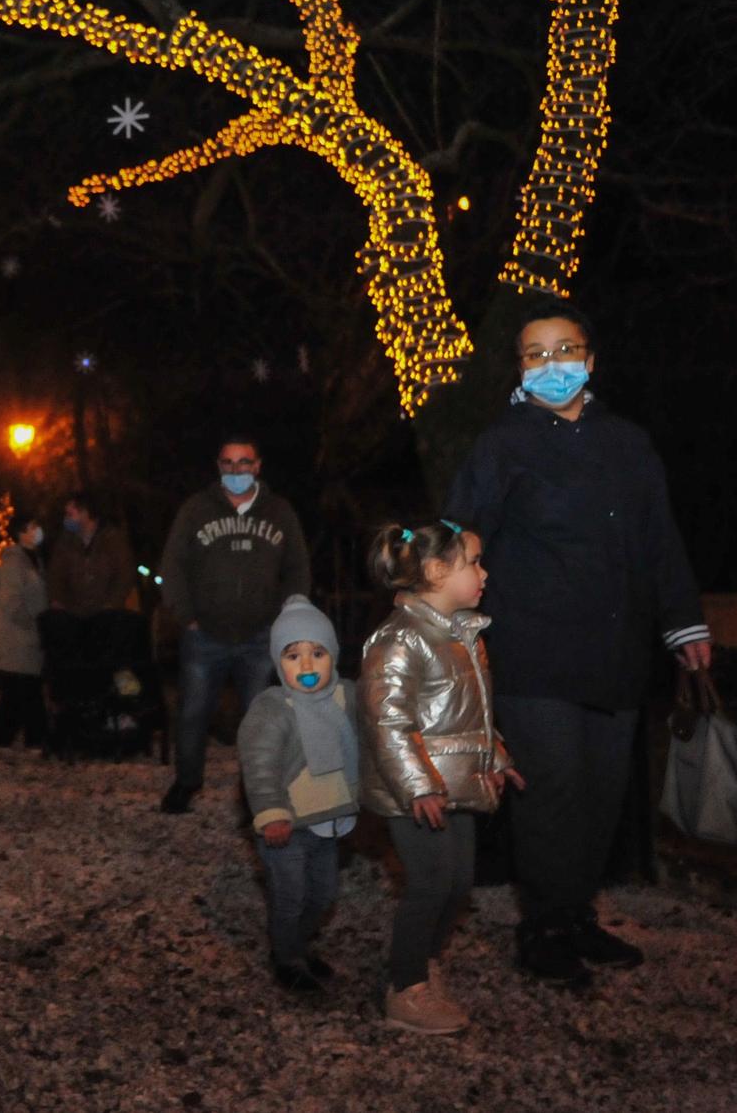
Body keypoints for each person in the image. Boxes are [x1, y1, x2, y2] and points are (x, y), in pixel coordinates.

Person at [445, 299, 713, 984]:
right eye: (536, 354)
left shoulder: (628, 442)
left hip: (618, 652)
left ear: (590, 360)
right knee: (552, 793)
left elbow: (659, 538)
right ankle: (544, 926)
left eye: (565, 351)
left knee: (603, 795)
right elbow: (463, 534)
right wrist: (441, 608)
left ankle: (577, 914)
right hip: (535, 655)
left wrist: (684, 624)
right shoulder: (502, 445)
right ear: (520, 369)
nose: (552, 365)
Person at [358, 520, 524, 1034]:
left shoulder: (467, 635)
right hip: (415, 792)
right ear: (434, 571)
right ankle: (405, 989)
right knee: (430, 884)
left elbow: (474, 714)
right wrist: (419, 786)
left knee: (458, 884)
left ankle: (425, 964)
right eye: (472, 561)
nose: (484, 572)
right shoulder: (399, 639)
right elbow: (387, 722)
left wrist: (494, 759)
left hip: (459, 785)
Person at [157, 435, 311, 813]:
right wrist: (184, 614)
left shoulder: (279, 512)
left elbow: (297, 568)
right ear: (218, 467)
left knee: (260, 720)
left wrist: (289, 614)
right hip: (203, 635)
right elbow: (172, 564)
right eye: (228, 463)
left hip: (260, 637)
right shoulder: (195, 510)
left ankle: (256, 792)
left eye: (244, 463)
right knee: (193, 713)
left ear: (257, 466)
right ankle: (187, 781)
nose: (236, 470)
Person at [237, 594, 361, 995]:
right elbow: (259, 763)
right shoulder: (273, 709)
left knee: (323, 895)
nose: (307, 666)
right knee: (290, 895)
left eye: (318, 653)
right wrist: (270, 810)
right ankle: (287, 957)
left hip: (329, 819)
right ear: (278, 662)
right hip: (287, 825)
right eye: (293, 656)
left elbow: (375, 734)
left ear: (334, 656)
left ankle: (296, 946)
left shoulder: (346, 698)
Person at [0, 512, 50, 749]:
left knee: (18, 692)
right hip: (17, 639)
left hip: (26, 639)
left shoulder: (34, 559)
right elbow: (10, 601)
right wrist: (33, 624)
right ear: (22, 533)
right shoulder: (14, 560)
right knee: (24, 689)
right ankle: (34, 738)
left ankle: (7, 739)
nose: (38, 530)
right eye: (33, 525)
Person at [46, 492, 137, 616]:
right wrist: (57, 601)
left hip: (108, 617)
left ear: (84, 513)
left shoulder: (112, 539)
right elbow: (55, 575)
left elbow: (125, 574)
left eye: (70, 514)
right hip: (75, 617)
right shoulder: (64, 542)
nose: (66, 519)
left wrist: (112, 604)